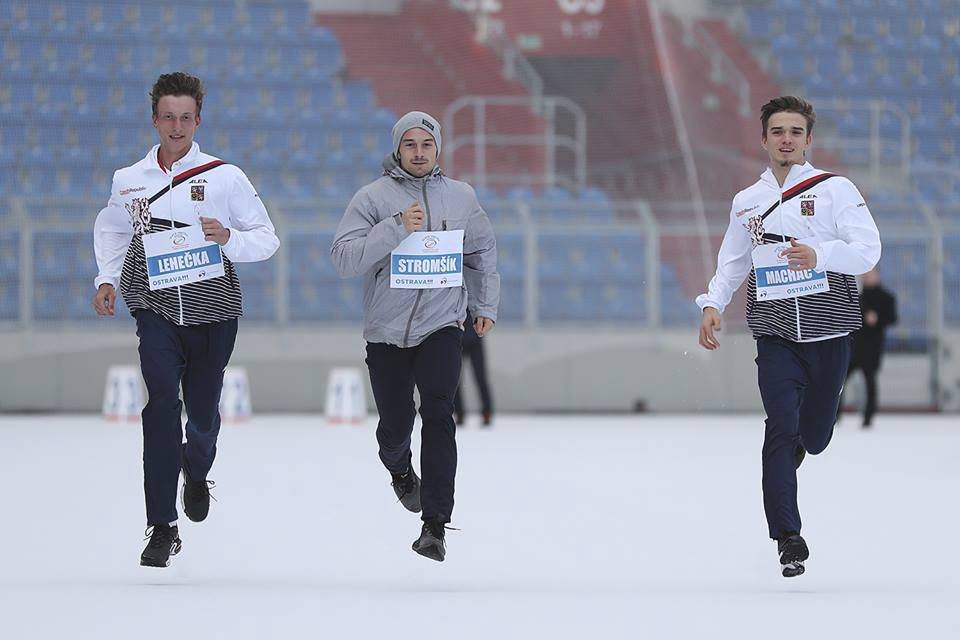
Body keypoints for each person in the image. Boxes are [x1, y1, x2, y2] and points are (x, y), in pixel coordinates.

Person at [92, 72, 280, 568]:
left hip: (213, 314)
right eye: (168, 117)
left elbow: (267, 237)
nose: (177, 127)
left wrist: (228, 240)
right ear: (155, 119)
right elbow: (110, 228)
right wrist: (106, 279)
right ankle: (161, 525)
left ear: (199, 120)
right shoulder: (129, 180)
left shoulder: (225, 177)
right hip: (154, 311)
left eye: (186, 118)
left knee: (200, 417)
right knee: (159, 407)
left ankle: (196, 471)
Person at [695, 96, 881, 578]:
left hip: (829, 332)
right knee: (779, 427)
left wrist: (819, 255)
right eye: (777, 131)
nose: (786, 139)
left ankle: (805, 440)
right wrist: (713, 303)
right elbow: (733, 260)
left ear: (808, 139)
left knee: (814, 438)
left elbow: (867, 250)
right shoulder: (747, 202)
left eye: (795, 132)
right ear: (764, 139)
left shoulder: (836, 190)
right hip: (774, 333)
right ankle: (788, 537)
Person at [331, 111, 499, 562]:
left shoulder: (462, 198)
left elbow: (482, 250)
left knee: (440, 411)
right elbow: (344, 259)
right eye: (410, 145)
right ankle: (400, 467)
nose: (419, 153)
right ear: (397, 149)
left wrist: (484, 305)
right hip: (386, 332)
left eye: (427, 145)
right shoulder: (372, 198)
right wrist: (394, 227)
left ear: (438, 149)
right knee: (395, 425)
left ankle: (435, 525)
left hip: (443, 324)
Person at [841, 268, 897, 427]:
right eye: (865, 274)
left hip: (872, 347)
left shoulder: (886, 297)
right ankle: (835, 414)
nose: (867, 277)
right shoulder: (857, 297)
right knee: (840, 381)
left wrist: (877, 319)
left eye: (870, 274)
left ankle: (868, 417)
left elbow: (892, 318)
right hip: (854, 346)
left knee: (869, 382)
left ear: (877, 275)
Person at [453, 310, 494, 427]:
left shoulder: (473, 295)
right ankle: (459, 413)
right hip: (459, 339)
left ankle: (487, 411)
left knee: (481, 377)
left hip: (475, 339)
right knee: (455, 379)